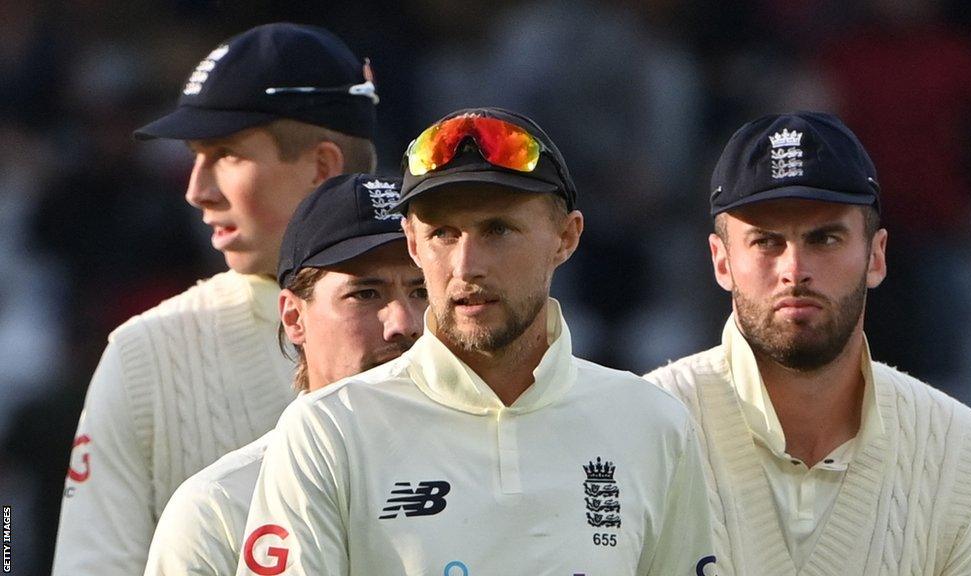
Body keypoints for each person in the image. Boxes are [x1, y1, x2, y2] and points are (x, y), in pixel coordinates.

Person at [237, 108, 715, 575]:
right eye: (443, 233)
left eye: (498, 229)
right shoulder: (328, 429)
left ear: (566, 238)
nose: (466, 266)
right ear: (412, 244)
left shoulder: (654, 424)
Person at [52, 23, 380, 576]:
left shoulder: (459, 329)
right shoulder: (143, 356)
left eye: (225, 154)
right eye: (196, 156)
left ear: (322, 167)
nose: (195, 188)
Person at [645, 112, 971, 576]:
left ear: (876, 256)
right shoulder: (643, 428)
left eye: (825, 238)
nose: (794, 269)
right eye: (766, 242)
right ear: (721, 262)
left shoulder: (963, 455)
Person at [143, 174, 426, 576]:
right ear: (294, 317)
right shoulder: (220, 509)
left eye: (422, 292)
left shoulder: (495, 471)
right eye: (365, 294)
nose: (404, 323)